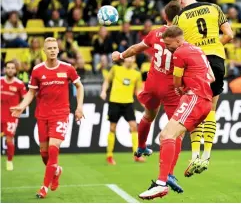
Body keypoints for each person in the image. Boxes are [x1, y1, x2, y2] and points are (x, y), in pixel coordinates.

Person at [111, 0, 183, 193]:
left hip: (152, 82)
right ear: (180, 16)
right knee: (176, 131)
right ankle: (169, 173)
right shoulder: (182, 36)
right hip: (171, 86)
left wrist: (120, 56)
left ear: (164, 16)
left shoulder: (155, 33)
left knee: (148, 115)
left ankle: (141, 146)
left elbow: (135, 49)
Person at [138, 26, 214, 200]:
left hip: (194, 97)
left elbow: (176, 82)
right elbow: (212, 77)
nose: (166, 47)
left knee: (166, 136)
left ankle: (161, 183)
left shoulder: (179, 53)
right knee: (170, 136)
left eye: (168, 44)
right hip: (204, 100)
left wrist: (184, 89)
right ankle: (164, 180)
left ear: (178, 41)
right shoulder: (197, 50)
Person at [11, 37, 85, 199]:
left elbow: (79, 86)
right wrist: (21, 106)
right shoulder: (37, 70)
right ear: (44, 51)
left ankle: (44, 187)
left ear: (58, 50)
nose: (52, 50)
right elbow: (31, 92)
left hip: (61, 114)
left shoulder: (67, 68)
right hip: (42, 115)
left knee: (53, 149)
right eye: (49, 48)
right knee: (44, 154)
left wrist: (79, 107)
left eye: (54, 48)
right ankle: (56, 171)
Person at [173, 0, 234, 176]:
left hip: (196, 63)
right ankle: (207, 156)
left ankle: (195, 155)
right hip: (217, 60)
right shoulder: (214, 7)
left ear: (181, 1)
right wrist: (215, 46)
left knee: (196, 108)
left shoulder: (180, 17)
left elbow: (175, 45)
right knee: (211, 109)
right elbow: (230, 35)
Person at [100, 56, 143, 164]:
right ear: (124, 59)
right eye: (128, 58)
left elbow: (138, 91)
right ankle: (109, 156)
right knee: (112, 128)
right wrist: (104, 91)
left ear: (134, 60)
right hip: (115, 102)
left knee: (134, 126)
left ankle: (136, 155)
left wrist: (143, 102)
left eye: (132, 58)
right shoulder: (116, 69)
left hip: (128, 103)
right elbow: (107, 81)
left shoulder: (136, 74)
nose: (130, 60)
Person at [1, 61, 27, 171]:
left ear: (15, 70)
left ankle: (9, 161)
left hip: (11, 116)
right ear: (5, 69)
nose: (10, 70)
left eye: (12, 68)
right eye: (8, 68)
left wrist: (20, 108)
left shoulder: (19, 84)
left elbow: (26, 98)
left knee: (9, 139)